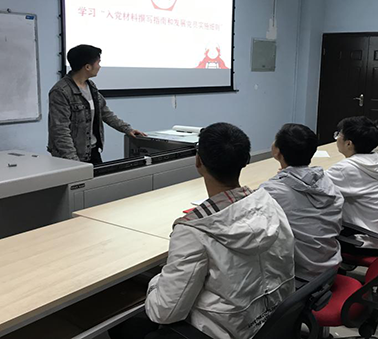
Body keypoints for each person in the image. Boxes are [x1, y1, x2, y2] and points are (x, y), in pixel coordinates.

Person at [110, 123, 295, 339]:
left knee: (126, 326)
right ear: (246, 160)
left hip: (224, 331)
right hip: (273, 323)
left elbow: (164, 312)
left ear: (198, 162)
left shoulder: (194, 231)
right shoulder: (269, 203)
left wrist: (155, 281)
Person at [259, 123, 343, 284]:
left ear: (277, 151)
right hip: (331, 267)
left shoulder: (271, 191)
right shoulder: (325, 181)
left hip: (301, 277)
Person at [48, 45, 146, 164]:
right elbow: (60, 131)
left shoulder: (91, 86)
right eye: (98, 63)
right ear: (87, 67)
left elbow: (105, 112)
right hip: (71, 156)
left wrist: (127, 129)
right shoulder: (60, 91)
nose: (99, 66)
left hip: (92, 151)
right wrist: (74, 162)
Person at [326, 117, 378, 254]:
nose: (337, 138)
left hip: (370, 240)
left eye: (339, 135)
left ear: (349, 143)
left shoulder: (346, 169)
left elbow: (313, 187)